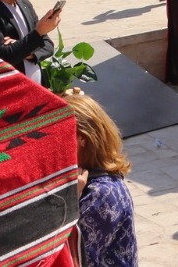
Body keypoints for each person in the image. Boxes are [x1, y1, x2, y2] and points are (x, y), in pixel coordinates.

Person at [65, 92, 139, 267]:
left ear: (82, 139)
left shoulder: (101, 194)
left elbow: (75, 258)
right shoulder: (95, 180)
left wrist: (70, 201)